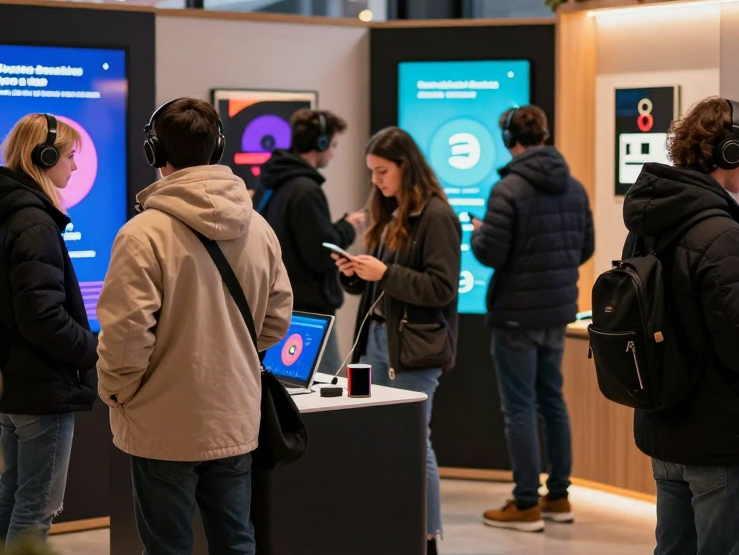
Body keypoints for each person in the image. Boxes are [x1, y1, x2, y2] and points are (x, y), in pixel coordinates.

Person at [96, 98, 293, 555]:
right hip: (234, 416)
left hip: (161, 422)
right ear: (218, 147)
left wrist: (119, 393)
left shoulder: (143, 234)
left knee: (167, 547)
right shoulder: (258, 227)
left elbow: (125, 337)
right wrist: (237, 353)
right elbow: (278, 317)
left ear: (155, 153)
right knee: (236, 540)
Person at [623, 97, 739, 555]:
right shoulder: (722, 234)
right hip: (719, 439)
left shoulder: (648, 223)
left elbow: (683, 316)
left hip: (665, 431)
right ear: (728, 155)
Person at [0, 114, 98, 549]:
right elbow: (42, 318)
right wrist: (93, 348)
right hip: (40, 387)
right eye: (70, 157)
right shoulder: (34, 223)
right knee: (37, 507)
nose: (74, 167)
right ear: (45, 157)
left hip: (12, 380)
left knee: (13, 495)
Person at [332, 127, 461, 555]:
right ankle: (390, 529)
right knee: (380, 441)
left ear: (405, 166)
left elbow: (441, 289)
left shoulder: (438, 216)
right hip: (376, 343)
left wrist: (385, 274)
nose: (377, 181)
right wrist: (354, 273)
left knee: (412, 443)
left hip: (413, 351)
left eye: (382, 171)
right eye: (372, 173)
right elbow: (378, 292)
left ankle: (426, 537)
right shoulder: (391, 215)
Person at [470, 105, 594, 532]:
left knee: (519, 409)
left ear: (510, 140)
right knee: (552, 402)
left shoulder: (508, 191)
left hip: (517, 317)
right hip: (557, 313)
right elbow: (586, 248)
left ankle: (525, 503)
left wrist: (477, 233)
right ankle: (558, 497)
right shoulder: (574, 187)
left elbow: (492, 253)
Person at [254, 109, 367, 374]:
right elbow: (320, 252)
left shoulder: (273, 184)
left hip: (278, 304)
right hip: (309, 312)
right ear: (322, 143)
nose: (334, 152)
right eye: (334, 145)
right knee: (324, 386)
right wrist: (348, 227)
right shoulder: (305, 190)